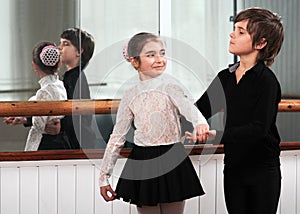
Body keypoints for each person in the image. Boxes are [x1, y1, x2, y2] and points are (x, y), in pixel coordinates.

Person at [99, 32, 212, 214]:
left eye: (162, 53)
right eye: (151, 55)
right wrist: (104, 177)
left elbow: (189, 108)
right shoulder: (129, 95)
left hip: (172, 158)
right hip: (143, 160)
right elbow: (117, 137)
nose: (159, 59)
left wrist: (200, 122)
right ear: (134, 61)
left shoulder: (171, 87)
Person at [192, 7, 284, 214]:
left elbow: (259, 129)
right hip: (233, 167)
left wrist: (217, 135)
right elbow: (200, 109)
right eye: (235, 29)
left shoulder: (266, 81)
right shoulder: (225, 77)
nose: (232, 35)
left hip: (263, 170)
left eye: (241, 32)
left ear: (260, 43)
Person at [3, 41, 68, 150]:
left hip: (46, 146)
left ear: (34, 65)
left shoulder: (44, 92)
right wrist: (23, 118)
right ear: (59, 63)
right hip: (60, 143)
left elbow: (39, 125)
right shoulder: (59, 85)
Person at [40, 28, 97, 149]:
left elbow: (77, 114)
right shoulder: (71, 76)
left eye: (65, 44)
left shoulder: (75, 78)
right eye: (60, 43)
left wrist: (61, 124)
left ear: (79, 51)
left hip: (78, 143)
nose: (59, 48)